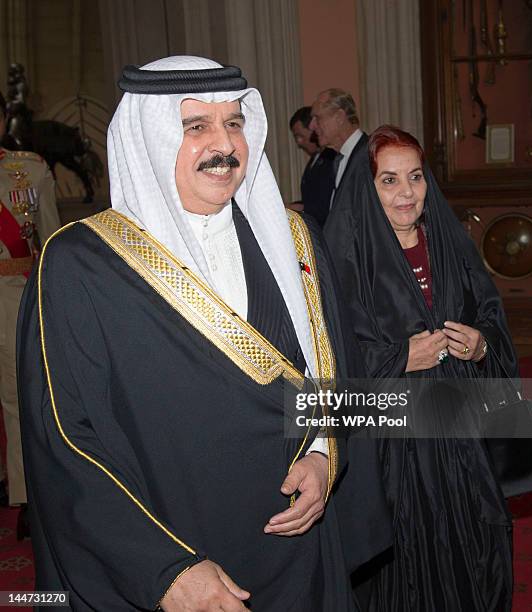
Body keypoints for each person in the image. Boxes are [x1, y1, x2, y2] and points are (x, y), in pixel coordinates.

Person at [17, 56, 387, 611]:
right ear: (152, 138)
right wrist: (162, 570)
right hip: (172, 565)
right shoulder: (77, 266)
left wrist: (321, 454)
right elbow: (66, 443)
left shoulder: (294, 241)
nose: (226, 145)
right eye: (197, 127)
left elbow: (331, 376)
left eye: (235, 123)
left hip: (297, 548)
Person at [324, 124, 516, 611]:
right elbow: (331, 355)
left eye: (415, 176)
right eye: (388, 180)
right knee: (407, 572)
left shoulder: (451, 244)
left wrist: (480, 343)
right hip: (394, 452)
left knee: (474, 550)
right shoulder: (346, 261)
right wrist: (400, 359)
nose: (406, 192)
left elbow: (490, 316)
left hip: (461, 437)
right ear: (368, 189)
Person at [0, 91, 60, 538]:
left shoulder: (28, 169)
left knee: (16, 395)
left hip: (11, 293)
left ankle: (24, 493)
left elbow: (53, 241)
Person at [309, 89, 368, 226]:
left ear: (340, 117)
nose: (312, 126)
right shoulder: (337, 159)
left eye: (317, 118)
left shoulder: (369, 157)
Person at [289, 106, 335, 226]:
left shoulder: (331, 158)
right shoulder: (315, 159)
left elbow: (328, 203)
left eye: (300, 136)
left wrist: (300, 208)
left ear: (313, 129)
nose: (299, 143)